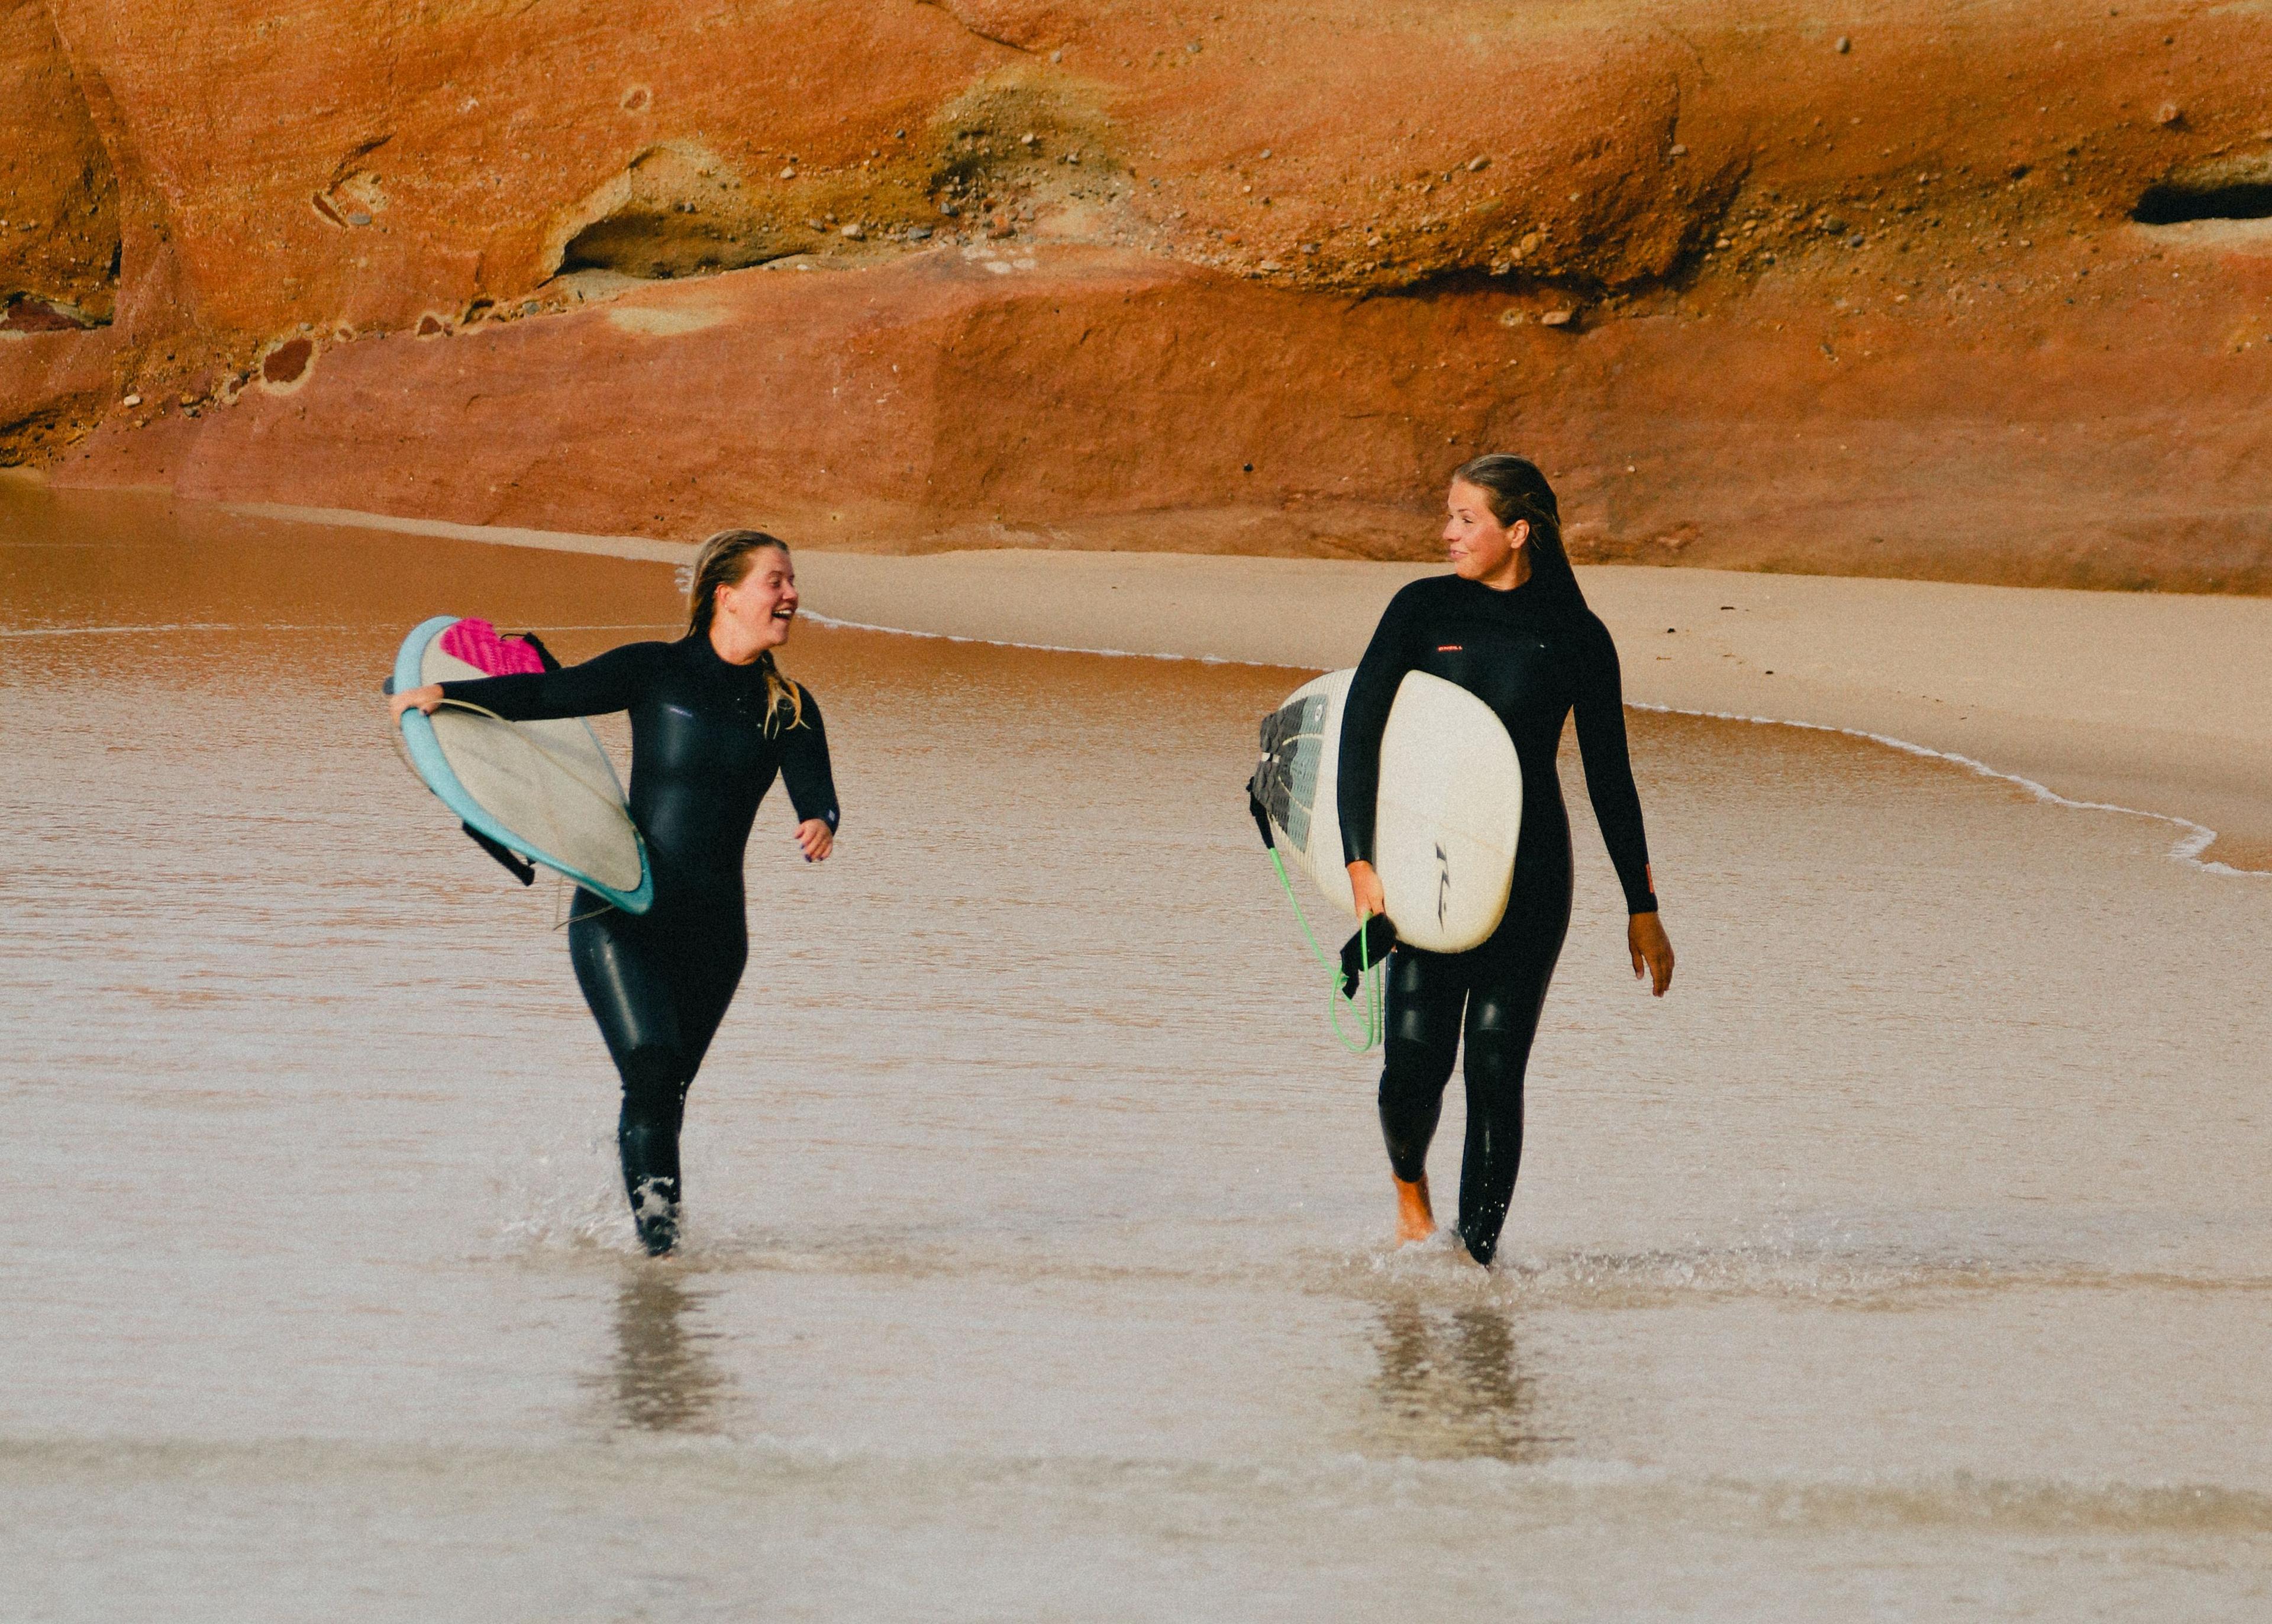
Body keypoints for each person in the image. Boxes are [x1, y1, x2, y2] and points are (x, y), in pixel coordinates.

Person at [391, 531, 838, 1254]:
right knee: (654, 1070)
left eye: (791, 581)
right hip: (622, 913)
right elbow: (546, 694)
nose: (790, 594)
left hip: (716, 934)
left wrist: (820, 820)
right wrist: (444, 695)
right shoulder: (653, 670)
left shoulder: (788, 705)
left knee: (665, 1098)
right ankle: (661, 1265)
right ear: (725, 595)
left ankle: (657, 1254)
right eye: (776, 580)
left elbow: (816, 789)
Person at [1338, 456, 1674, 1265]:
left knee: (1495, 1068)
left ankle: (1471, 1261)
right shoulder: (1421, 609)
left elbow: (1609, 776)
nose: (1447, 532)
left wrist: (1642, 904)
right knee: (1415, 1063)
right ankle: (1410, 1186)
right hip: (1425, 868)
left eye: (1465, 519)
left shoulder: (1576, 635)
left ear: (1516, 531)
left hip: (1532, 873)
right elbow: (1360, 733)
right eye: (1448, 516)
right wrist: (1360, 861)